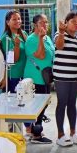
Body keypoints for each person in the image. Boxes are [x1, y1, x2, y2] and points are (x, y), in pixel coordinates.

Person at [53, 12, 77, 147]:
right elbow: (59, 46)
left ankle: (73, 132)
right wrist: (61, 32)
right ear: (66, 22)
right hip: (61, 77)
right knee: (62, 103)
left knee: (72, 104)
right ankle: (60, 134)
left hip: (75, 78)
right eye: (74, 21)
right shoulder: (59, 35)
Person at [23, 14, 55, 145]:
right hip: (35, 78)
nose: (45, 25)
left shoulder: (47, 38)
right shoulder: (31, 39)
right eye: (42, 22)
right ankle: (35, 134)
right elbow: (40, 56)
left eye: (46, 22)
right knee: (37, 106)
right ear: (35, 25)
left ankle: (36, 130)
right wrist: (41, 39)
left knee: (44, 104)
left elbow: (52, 54)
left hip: (46, 77)